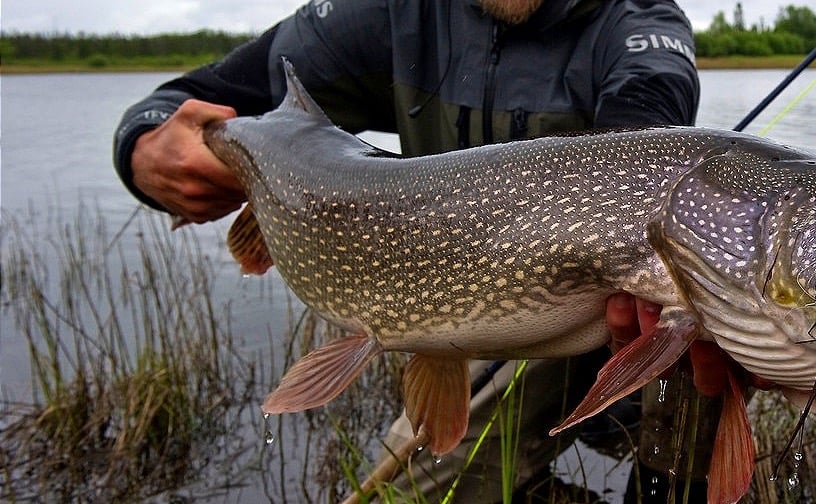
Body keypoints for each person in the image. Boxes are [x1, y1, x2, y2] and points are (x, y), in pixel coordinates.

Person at [111, 0, 703, 501]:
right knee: (423, 488)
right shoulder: (394, 12)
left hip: (598, 294)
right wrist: (144, 149)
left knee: (709, 353)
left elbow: (646, 139)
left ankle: (651, 463)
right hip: (458, 308)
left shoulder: (640, 27)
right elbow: (200, 97)